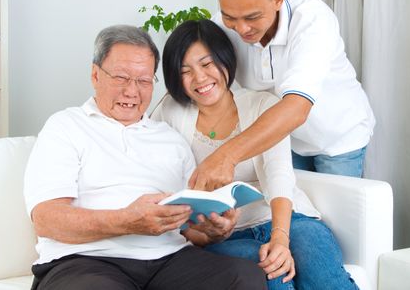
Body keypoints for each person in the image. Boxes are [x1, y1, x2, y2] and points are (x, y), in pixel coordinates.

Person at [23, 25, 267, 290]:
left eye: (143, 81)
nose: (132, 91)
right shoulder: (65, 126)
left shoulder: (171, 139)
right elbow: (47, 220)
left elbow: (187, 229)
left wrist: (211, 231)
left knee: (244, 277)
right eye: (121, 78)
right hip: (86, 261)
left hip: (169, 260)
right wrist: (127, 220)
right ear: (95, 75)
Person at [151, 19, 358, 290]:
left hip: (289, 219)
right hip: (227, 235)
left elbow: (279, 174)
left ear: (225, 58)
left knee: (323, 276)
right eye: (185, 70)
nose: (199, 78)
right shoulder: (170, 112)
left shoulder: (262, 105)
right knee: (273, 275)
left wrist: (280, 238)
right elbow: (152, 165)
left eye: (206, 63)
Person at [189, 0, 376, 190]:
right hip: (284, 139)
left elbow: (297, 108)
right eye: (230, 17)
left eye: (252, 16)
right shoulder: (220, 25)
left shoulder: (311, 19)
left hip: (337, 139)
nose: (241, 28)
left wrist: (226, 156)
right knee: (300, 216)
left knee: (337, 220)